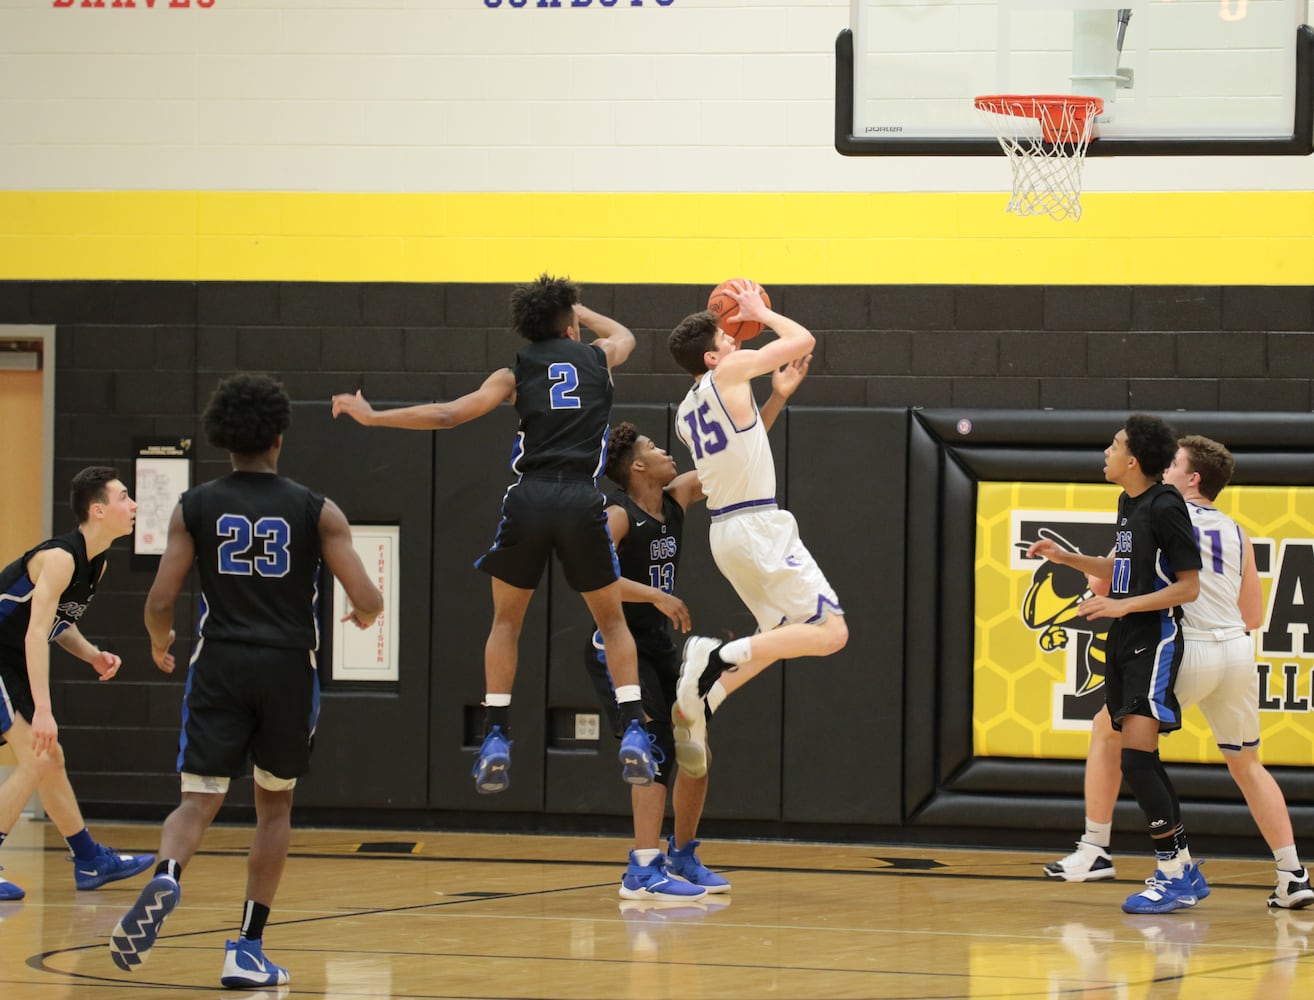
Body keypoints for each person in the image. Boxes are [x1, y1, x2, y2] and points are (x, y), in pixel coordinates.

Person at [108, 373, 383, 989]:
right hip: (287, 668)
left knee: (197, 798)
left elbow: (159, 601)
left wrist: (160, 643)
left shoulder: (195, 505)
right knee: (273, 806)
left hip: (221, 664)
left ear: (222, 440)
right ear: (278, 437)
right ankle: (247, 949)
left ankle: (168, 875)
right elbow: (367, 598)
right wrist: (361, 614)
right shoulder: (318, 509)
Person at [331, 273, 655, 793]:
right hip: (580, 498)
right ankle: (635, 729)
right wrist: (580, 308)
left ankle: (497, 735)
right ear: (569, 324)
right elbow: (627, 335)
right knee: (613, 623)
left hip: (528, 499)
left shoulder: (514, 372)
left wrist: (374, 419)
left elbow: (448, 414)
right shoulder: (599, 358)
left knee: (506, 622)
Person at [1042, 434, 1314, 910]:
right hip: (1235, 651)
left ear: (1192, 478)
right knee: (1247, 764)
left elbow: (1108, 580)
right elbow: (1253, 614)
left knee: (1110, 732)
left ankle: (1098, 849)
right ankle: (1293, 875)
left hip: (1187, 647)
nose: (1163, 471)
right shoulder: (1235, 530)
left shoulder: (1157, 511)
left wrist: (1089, 575)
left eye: (1172, 466)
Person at [593, 357, 807, 902]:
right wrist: (657, 595)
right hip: (618, 647)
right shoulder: (619, 516)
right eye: (653, 450)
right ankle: (641, 868)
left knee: (695, 744)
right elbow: (594, 582)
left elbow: (739, 457)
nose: (666, 452)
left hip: (659, 645)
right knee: (653, 751)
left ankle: (682, 856)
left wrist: (777, 398)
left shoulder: (678, 497)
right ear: (637, 469)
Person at [665, 281, 846, 779]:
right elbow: (804, 339)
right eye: (725, 339)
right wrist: (759, 312)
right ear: (710, 358)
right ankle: (712, 656)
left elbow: (742, 449)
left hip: (726, 532)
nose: (734, 342)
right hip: (759, 525)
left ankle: (706, 700)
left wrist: (777, 398)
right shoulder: (728, 370)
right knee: (831, 634)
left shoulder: (686, 411)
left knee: (782, 635)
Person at [1027, 414, 1203, 915]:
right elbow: (1123, 571)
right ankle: (1182, 867)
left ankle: (1173, 873)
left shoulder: (1167, 506)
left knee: (1137, 759)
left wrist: (1124, 605)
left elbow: (1188, 586)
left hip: (1155, 636)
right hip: (1126, 636)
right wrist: (1071, 559)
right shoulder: (1130, 503)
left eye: (1114, 445)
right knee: (1137, 759)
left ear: (1132, 460)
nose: (1105, 451)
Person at [0, 467, 155, 900]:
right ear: (98, 509)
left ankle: (89, 860)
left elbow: (55, 625)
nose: (135, 505)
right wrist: (44, 709)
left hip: (10, 660)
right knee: (36, 757)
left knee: (49, 758)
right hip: (1, 656)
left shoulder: (96, 563)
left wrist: (91, 654)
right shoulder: (60, 558)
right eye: (125, 497)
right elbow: (34, 634)